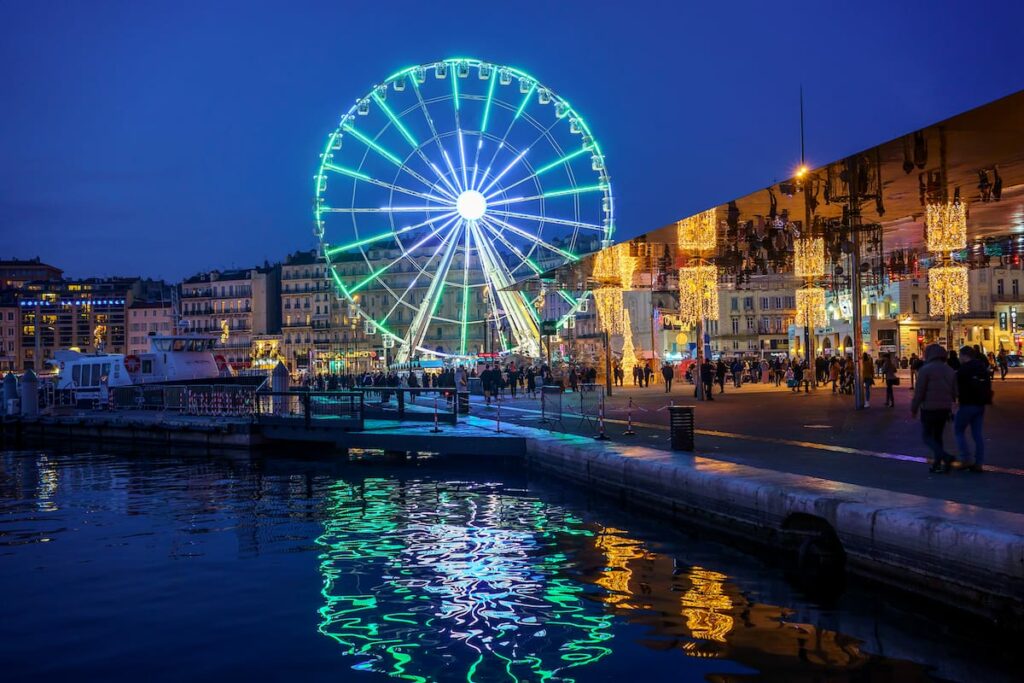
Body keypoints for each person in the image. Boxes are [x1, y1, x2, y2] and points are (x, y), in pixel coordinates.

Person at [910, 344, 958, 473]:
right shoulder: (949, 370)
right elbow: (955, 392)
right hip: (944, 408)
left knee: (927, 436)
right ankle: (938, 463)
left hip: (929, 408)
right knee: (938, 436)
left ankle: (945, 457)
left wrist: (914, 408)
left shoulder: (926, 370)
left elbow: (919, 392)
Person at [955, 346, 991, 472]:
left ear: (965, 356)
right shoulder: (981, 367)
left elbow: (957, 387)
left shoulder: (964, 369)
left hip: (967, 404)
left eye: (960, 356)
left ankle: (965, 459)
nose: (959, 358)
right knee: (977, 434)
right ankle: (979, 463)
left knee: (958, 430)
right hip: (980, 405)